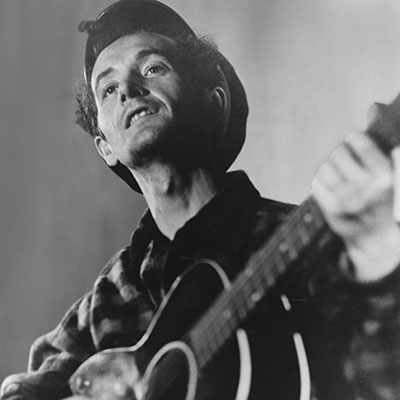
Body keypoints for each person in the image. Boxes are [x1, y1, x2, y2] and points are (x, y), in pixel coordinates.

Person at [1, 0, 399, 399]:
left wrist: (379, 254)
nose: (127, 90)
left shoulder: (310, 240)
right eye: (107, 88)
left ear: (213, 100)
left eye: (153, 67)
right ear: (105, 148)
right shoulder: (109, 299)